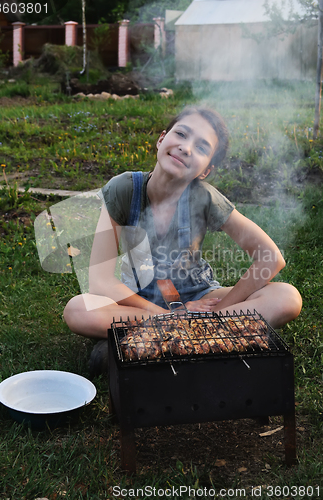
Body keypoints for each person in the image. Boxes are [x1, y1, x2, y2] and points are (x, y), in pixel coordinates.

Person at [63, 106, 302, 375]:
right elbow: (100, 280)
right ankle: (202, 337)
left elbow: (270, 257)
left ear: (205, 171)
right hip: (139, 301)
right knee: (78, 309)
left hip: (199, 296)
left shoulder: (205, 198)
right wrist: (165, 315)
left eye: (201, 148)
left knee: (286, 297)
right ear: (162, 139)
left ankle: (149, 341)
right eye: (181, 134)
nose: (186, 148)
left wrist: (216, 311)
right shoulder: (124, 189)